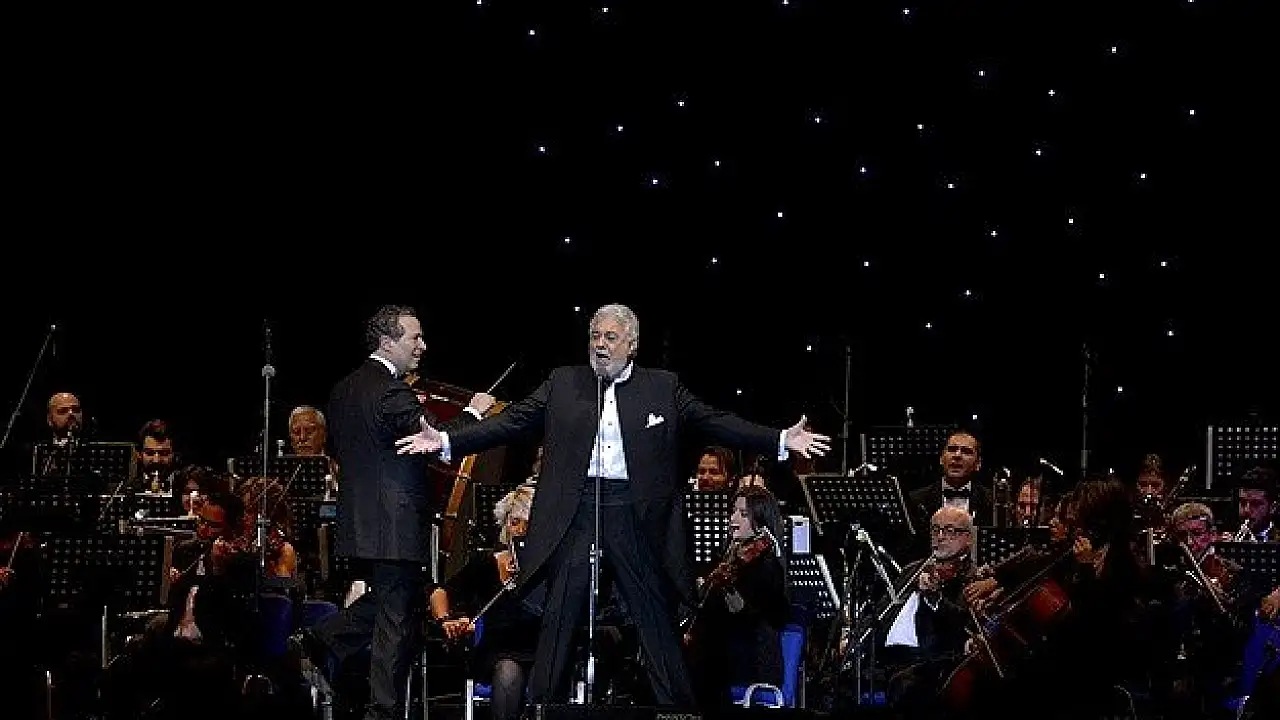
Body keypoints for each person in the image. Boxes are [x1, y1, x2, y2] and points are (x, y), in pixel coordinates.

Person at [395, 303, 830, 707]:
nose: (600, 345)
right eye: (595, 336)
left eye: (610, 337)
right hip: (576, 507)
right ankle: (543, 709)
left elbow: (716, 421)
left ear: (631, 344)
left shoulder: (662, 387)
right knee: (560, 611)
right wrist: (447, 440)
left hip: (633, 510)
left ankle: (676, 709)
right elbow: (511, 422)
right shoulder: (564, 382)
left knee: (652, 613)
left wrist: (779, 439)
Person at [303, 305, 495, 720]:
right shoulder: (391, 391)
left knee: (398, 600)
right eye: (415, 337)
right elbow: (436, 440)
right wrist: (475, 412)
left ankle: (323, 639)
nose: (422, 346)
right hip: (394, 522)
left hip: (360, 523)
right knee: (396, 616)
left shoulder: (343, 389)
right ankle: (381, 710)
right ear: (387, 342)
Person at [429, 484, 541, 720]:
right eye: (515, 523)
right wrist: (446, 620)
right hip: (499, 652)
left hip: (542, 650)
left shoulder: (551, 570)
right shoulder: (485, 563)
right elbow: (441, 592)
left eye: (529, 524)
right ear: (505, 526)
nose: (521, 531)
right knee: (508, 673)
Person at [684, 485, 789, 710]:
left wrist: (726, 586)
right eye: (733, 511)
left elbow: (745, 615)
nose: (733, 519)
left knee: (696, 663)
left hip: (752, 658)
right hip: (726, 652)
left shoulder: (767, 564)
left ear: (760, 520)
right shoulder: (732, 555)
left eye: (743, 514)